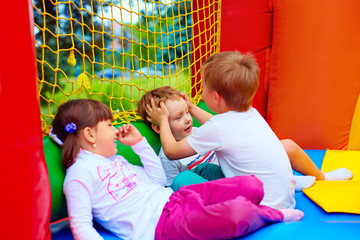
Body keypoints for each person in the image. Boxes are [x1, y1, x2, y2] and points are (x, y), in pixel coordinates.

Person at [52, 99, 304, 240]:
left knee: (251, 184)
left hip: (175, 199)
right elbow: (82, 227)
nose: (115, 131)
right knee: (237, 212)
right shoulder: (78, 176)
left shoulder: (115, 161)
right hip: (164, 225)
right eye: (108, 125)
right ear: (89, 134)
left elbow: (158, 180)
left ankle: (256, 206)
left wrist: (140, 144)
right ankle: (272, 214)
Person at [145, 51, 352, 209]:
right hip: (283, 197)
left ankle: (297, 188)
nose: (201, 90)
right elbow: (216, 124)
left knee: (183, 180)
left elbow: (172, 152)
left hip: (257, 206)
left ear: (215, 97)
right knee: (204, 170)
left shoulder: (218, 128)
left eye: (203, 87)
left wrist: (163, 119)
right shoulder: (250, 113)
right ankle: (319, 178)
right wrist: (190, 107)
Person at [137, 86, 353, 191]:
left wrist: (191, 107)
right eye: (177, 117)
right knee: (181, 182)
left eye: (187, 113)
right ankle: (285, 183)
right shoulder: (167, 156)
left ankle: (321, 177)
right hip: (229, 184)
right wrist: (164, 119)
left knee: (286, 145)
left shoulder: (199, 132)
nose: (187, 120)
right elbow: (170, 185)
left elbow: (218, 123)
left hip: (241, 167)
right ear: (158, 127)